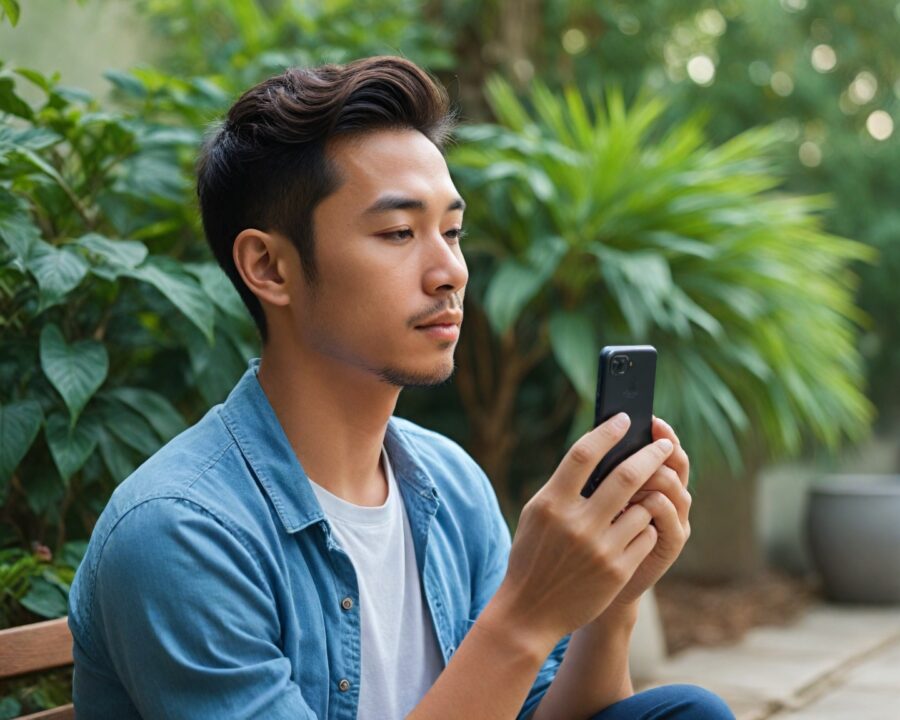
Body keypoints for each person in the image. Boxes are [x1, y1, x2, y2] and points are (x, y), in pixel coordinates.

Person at [68, 56, 735, 720]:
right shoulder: (180, 534)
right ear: (269, 267)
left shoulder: (449, 484)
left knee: (685, 712)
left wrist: (613, 600)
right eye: (398, 233)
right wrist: (525, 615)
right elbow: (514, 645)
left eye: (452, 231)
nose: (451, 271)